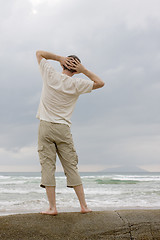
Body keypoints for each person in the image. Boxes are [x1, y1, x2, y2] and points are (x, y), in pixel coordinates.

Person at [36, 50, 104, 215]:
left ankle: (52, 208)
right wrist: (84, 70)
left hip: (45, 126)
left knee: (47, 166)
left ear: (62, 65)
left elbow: (39, 53)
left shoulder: (50, 74)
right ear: (77, 70)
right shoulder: (77, 84)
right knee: (71, 167)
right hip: (63, 129)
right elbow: (100, 83)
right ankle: (84, 206)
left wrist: (59, 58)